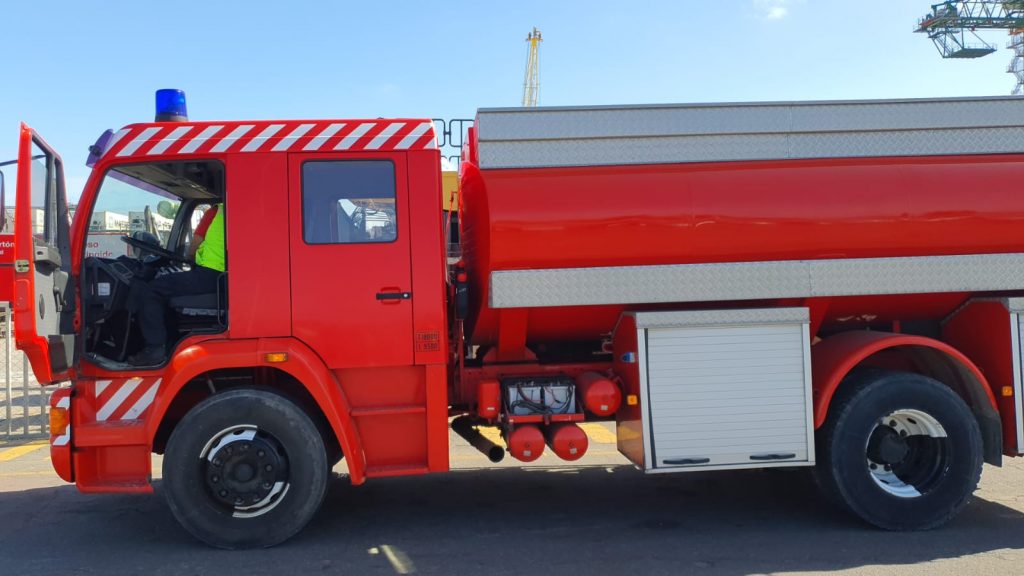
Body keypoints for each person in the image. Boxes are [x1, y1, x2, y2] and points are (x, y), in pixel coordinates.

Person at [127, 204, 225, 365]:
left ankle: (155, 349)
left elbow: (195, 244)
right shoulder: (240, 210)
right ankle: (171, 341)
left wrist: (190, 259)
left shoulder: (216, 211)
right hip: (229, 278)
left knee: (151, 291)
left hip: (211, 274)